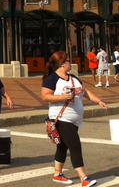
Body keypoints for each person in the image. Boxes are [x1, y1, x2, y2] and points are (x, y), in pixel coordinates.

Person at [41, 51, 107, 187]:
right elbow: (45, 96)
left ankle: (57, 174)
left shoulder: (73, 78)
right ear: (61, 64)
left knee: (62, 147)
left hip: (75, 120)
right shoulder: (52, 79)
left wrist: (98, 100)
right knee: (75, 145)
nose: (70, 63)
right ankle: (83, 178)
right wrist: (63, 97)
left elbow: (85, 92)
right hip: (61, 119)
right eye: (68, 61)